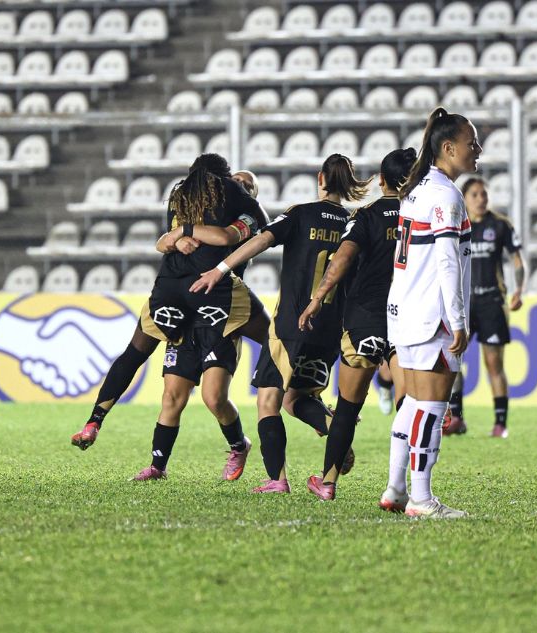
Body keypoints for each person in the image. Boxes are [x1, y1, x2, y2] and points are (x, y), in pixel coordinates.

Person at [70, 155, 268, 482]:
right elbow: (166, 241)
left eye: (248, 185)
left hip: (218, 311)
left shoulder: (246, 216)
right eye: (238, 179)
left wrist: (184, 233)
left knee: (213, 397)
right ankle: (157, 466)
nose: (240, 185)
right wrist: (175, 236)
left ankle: (239, 444)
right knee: (171, 396)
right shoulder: (197, 204)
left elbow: (225, 237)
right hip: (184, 305)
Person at [192, 154, 370, 493]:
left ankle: (277, 479)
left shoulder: (300, 214)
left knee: (268, 401)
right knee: (294, 399)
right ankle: (334, 425)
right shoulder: (353, 222)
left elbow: (262, 239)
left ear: (321, 179)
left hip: (292, 324)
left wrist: (220, 268)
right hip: (332, 328)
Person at [299, 148, 416, 500]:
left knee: (348, 406)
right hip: (408, 318)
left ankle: (328, 482)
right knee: (408, 404)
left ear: (381, 180)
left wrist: (318, 298)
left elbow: (343, 258)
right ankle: (401, 486)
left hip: (365, 318)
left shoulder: (366, 216)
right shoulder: (421, 214)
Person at [381, 107, 480, 519]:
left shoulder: (418, 188)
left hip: (405, 310)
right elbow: (446, 261)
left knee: (412, 404)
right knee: (432, 407)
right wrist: (457, 320)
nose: (478, 150)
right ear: (448, 147)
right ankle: (421, 499)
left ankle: (396, 488)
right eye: (472, 143)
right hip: (432, 315)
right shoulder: (445, 195)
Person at [441, 177, 524, 438]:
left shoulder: (500, 225)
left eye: (483, 194)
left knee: (493, 364)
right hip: (464, 304)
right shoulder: (456, 226)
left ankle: (500, 423)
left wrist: (519, 289)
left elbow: (517, 260)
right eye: (475, 194)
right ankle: (457, 418)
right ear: (464, 198)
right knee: (453, 360)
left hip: (491, 302)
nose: (481, 199)